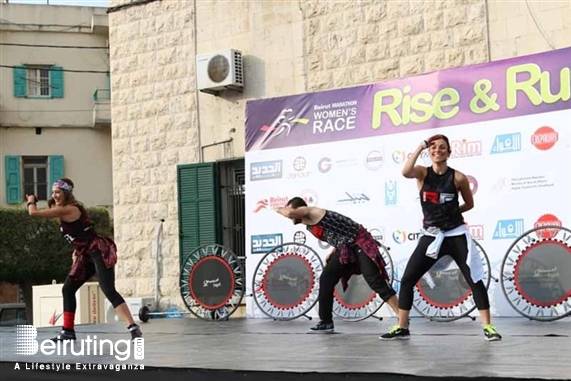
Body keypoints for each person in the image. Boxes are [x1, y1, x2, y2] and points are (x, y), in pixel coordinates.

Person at [380, 135, 502, 342]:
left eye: (443, 148)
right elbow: (405, 171)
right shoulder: (421, 173)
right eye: (434, 147)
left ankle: (488, 327)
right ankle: (402, 327)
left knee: (474, 278)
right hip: (432, 235)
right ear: (430, 152)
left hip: (455, 235)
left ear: (449, 152)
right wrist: (421, 145)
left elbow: (469, 204)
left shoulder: (459, 178)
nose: (438, 150)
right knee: (408, 278)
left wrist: (452, 214)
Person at [26, 178, 142, 342]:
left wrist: (30, 201)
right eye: (53, 193)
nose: (55, 196)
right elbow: (80, 232)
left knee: (108, 290)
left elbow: (34, 213)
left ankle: (133, 327)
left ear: (66, 193)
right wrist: (76, 250)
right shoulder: (64, 210)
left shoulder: (70, 209)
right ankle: (68, 332)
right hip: (84, 254)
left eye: (58, 192)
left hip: (97, 251)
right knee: (68, 289)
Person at [275, 197, 400, 333]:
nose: (290, 217)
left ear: (299, 209)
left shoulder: (312, 212)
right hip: (345, 247)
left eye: (291, 209)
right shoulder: (308, 224)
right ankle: (326, 321)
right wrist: (334, 251)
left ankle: (402, 317)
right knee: (326, 279)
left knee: (374, 280)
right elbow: (339, 234)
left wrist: (275, 208)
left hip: (359, 242)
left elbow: (289, 213)